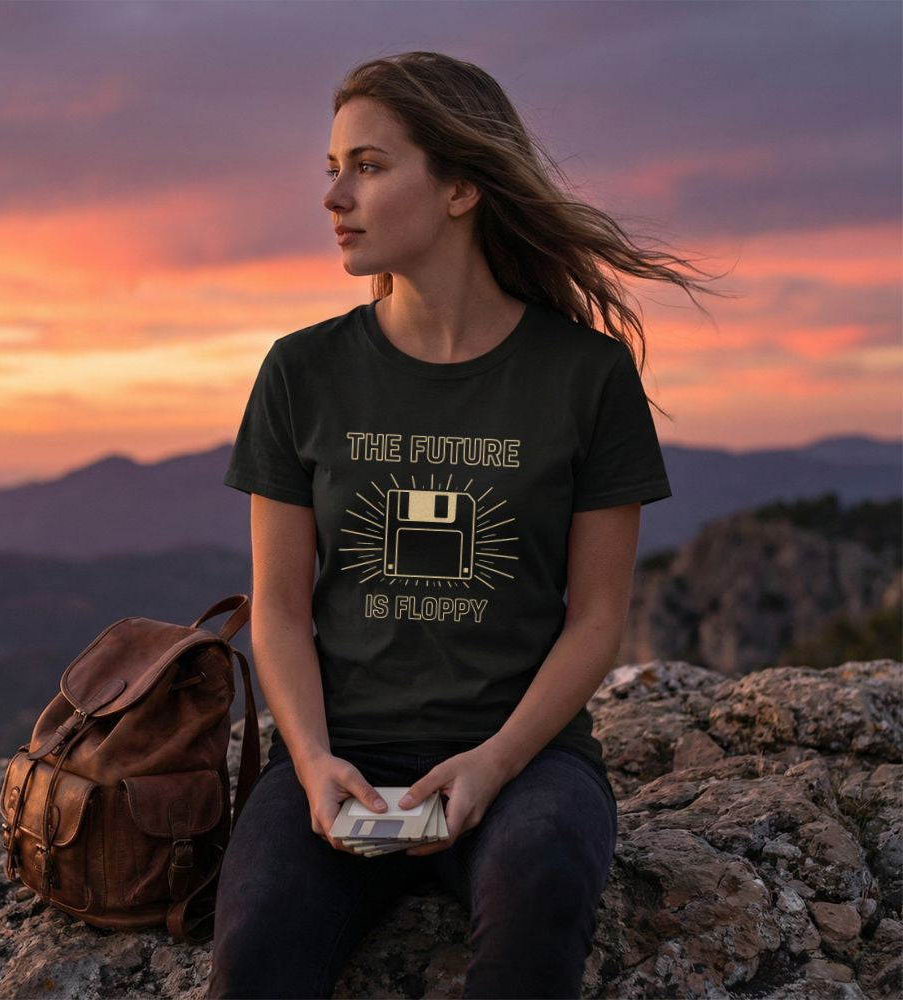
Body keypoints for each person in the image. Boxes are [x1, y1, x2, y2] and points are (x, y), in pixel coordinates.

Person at [207, 50, 727, 1000]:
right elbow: (277, 609)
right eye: (332, 167)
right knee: (256, 957)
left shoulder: (586, 377)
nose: (333, 196)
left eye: (367, 166)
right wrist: (316, 763)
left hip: (527, 761)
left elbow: (595, 619)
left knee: (537, 917)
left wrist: (493, 764)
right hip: (341, 760)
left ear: (458, 187)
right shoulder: (301, 372)